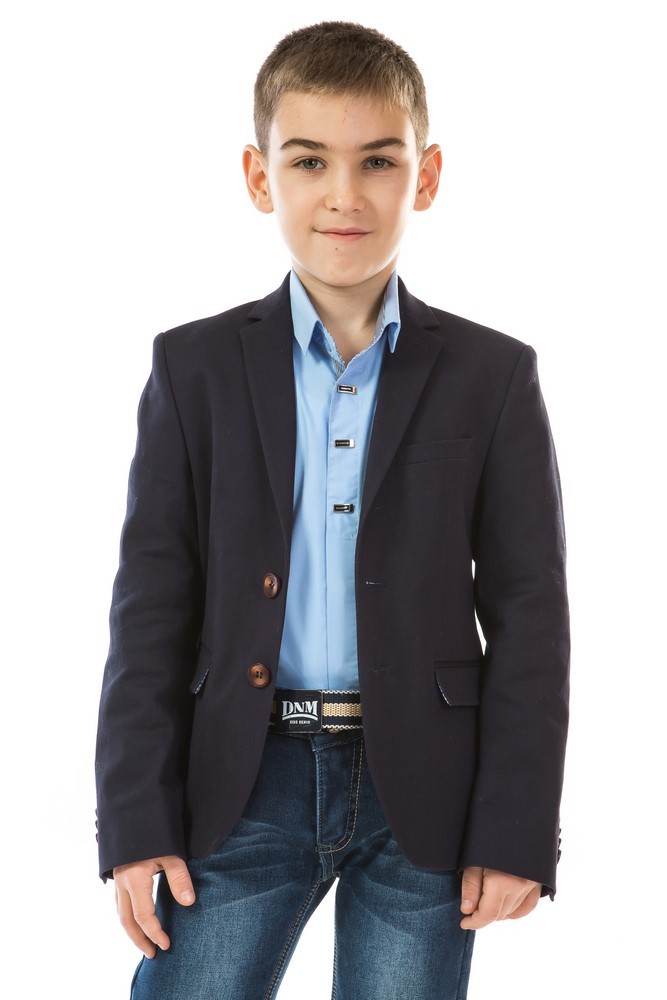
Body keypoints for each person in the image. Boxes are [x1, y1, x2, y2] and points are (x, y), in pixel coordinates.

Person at [95, 20, 570, 1000]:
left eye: (377, 161)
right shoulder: (194, 368)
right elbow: (150, 606)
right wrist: (135, 820)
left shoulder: (491, 375)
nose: (343, 195)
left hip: (424, 789)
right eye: (309, 160)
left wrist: (516, 827)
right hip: (241, 777)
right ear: (259, 176)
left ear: (424, 177)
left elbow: (531, 614)